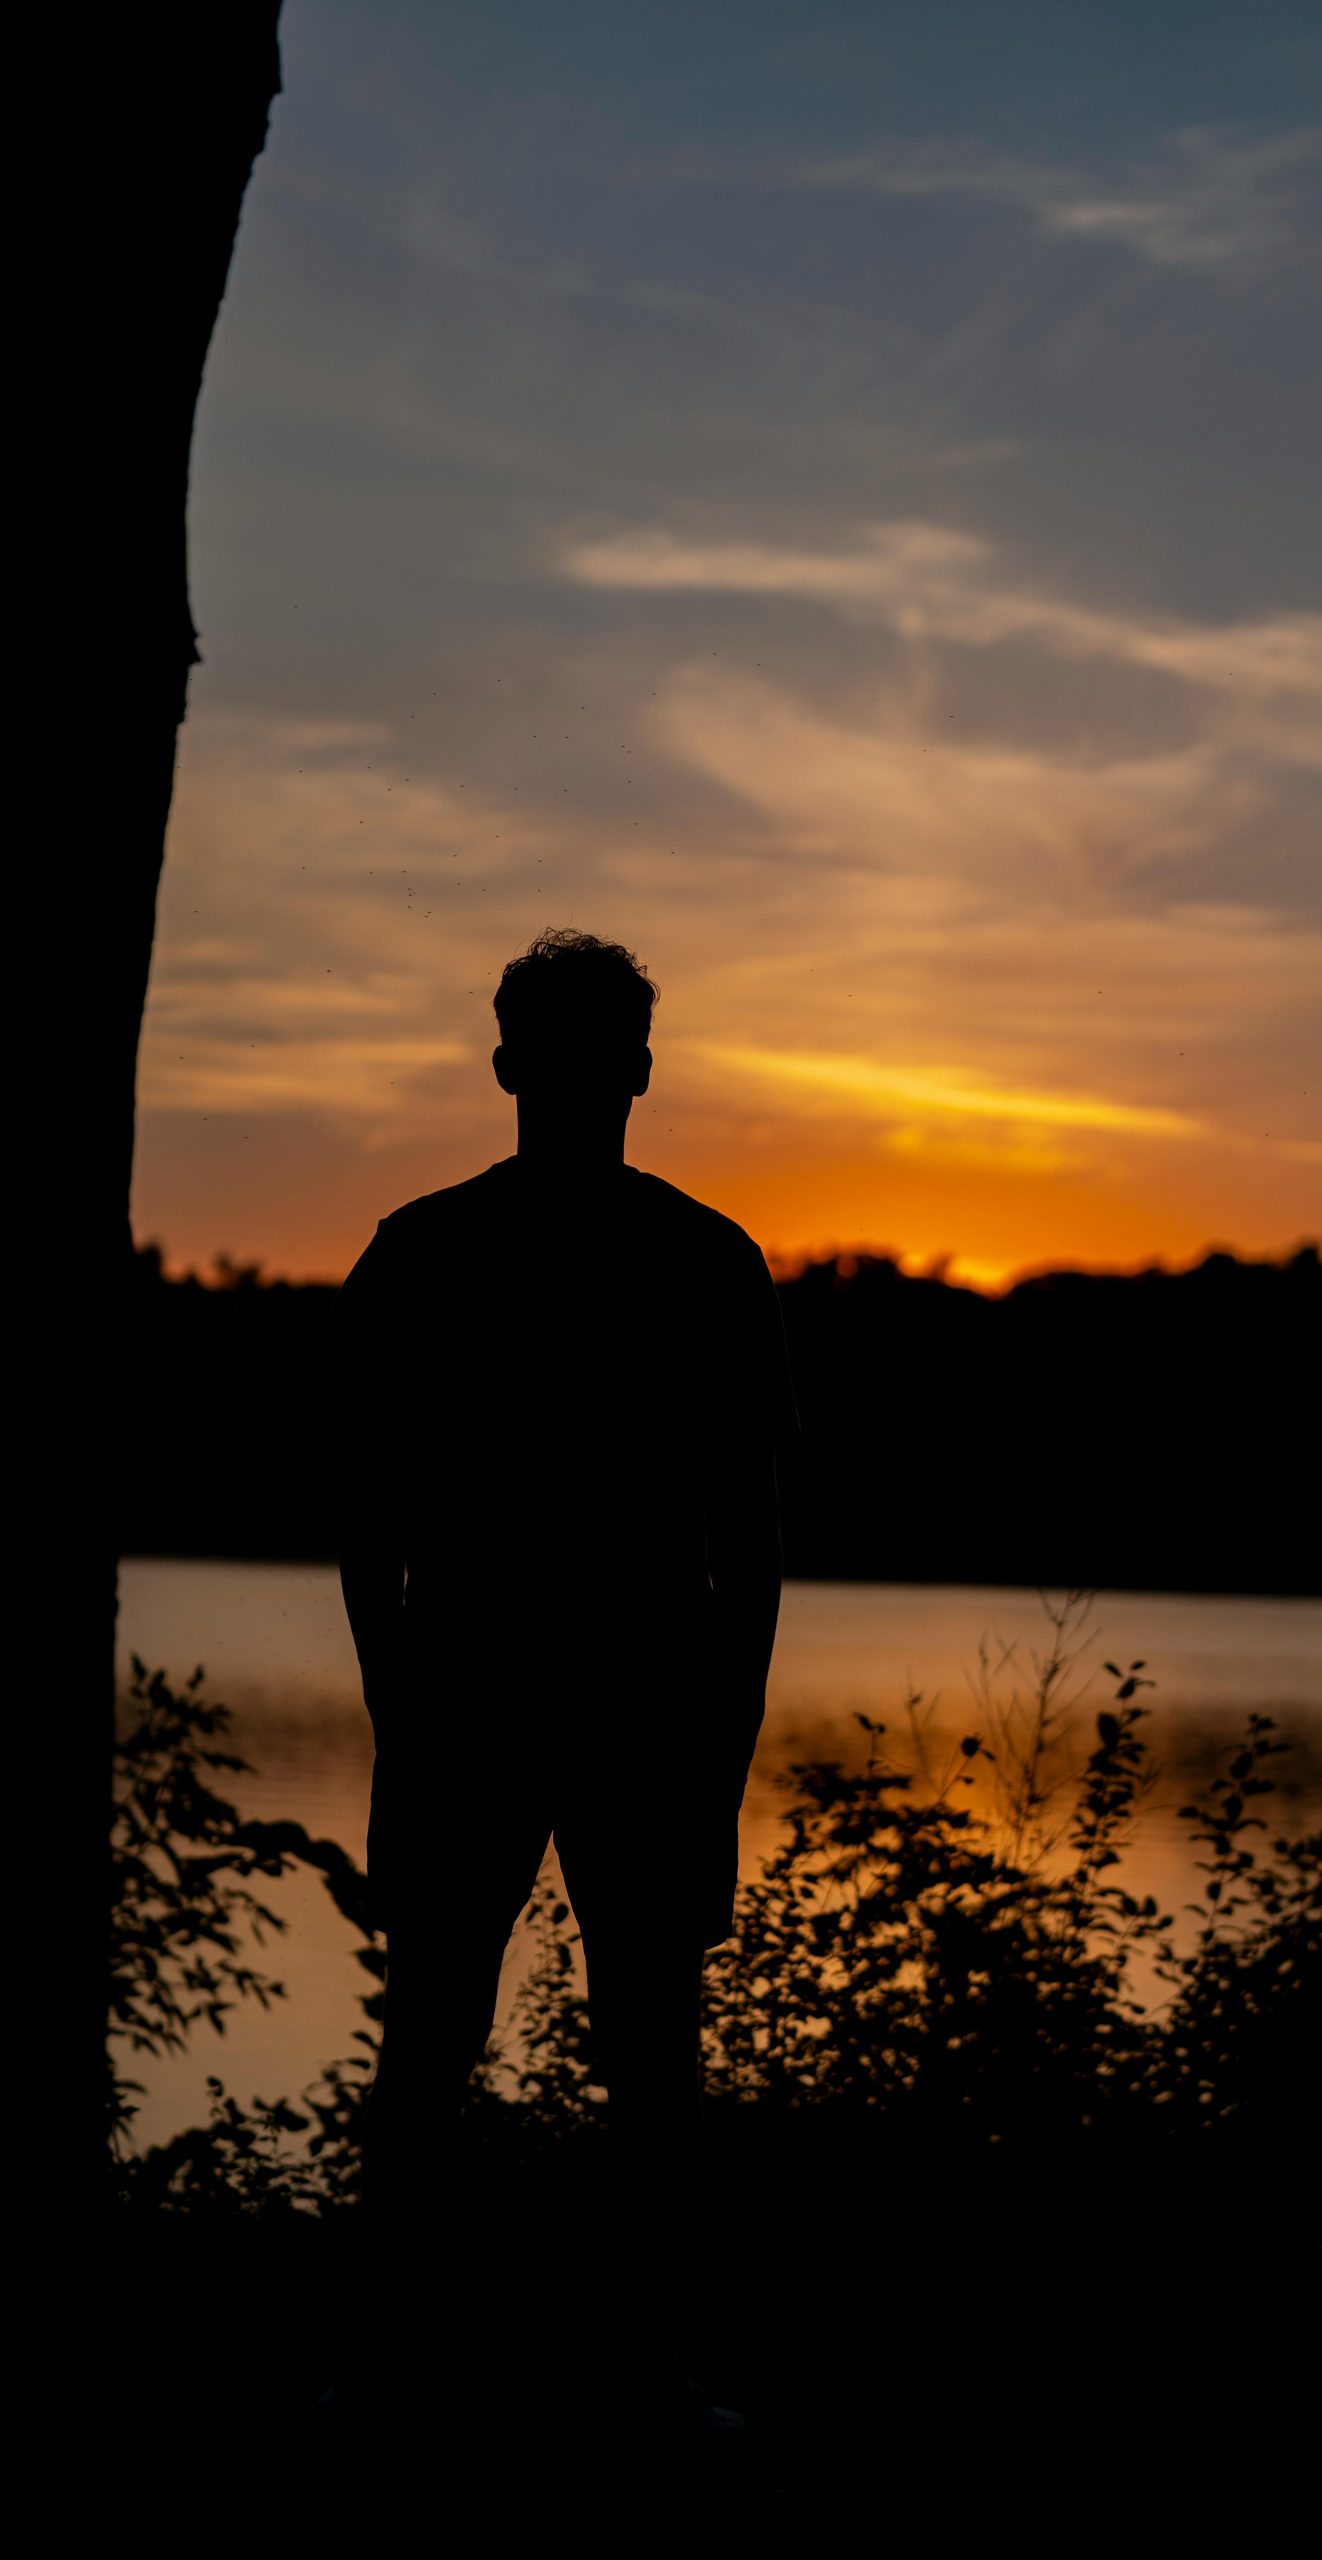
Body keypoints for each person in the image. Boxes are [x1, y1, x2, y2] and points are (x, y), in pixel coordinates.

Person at [325, 928, 793, 2429]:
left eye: (596, 1051)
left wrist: (406, 1706)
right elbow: (366, 1518)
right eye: (580, 1049)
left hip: (571, 1708)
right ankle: (487, 2371)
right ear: (534, 1065)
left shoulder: (443, 1249)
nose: (590, 1074)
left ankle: (548, 2373)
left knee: (551, 2051)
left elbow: (749, 1544)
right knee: (555, 2052)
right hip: (556, 1707)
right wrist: (406, 1712)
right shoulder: (676, 1259)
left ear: (521, 1063)